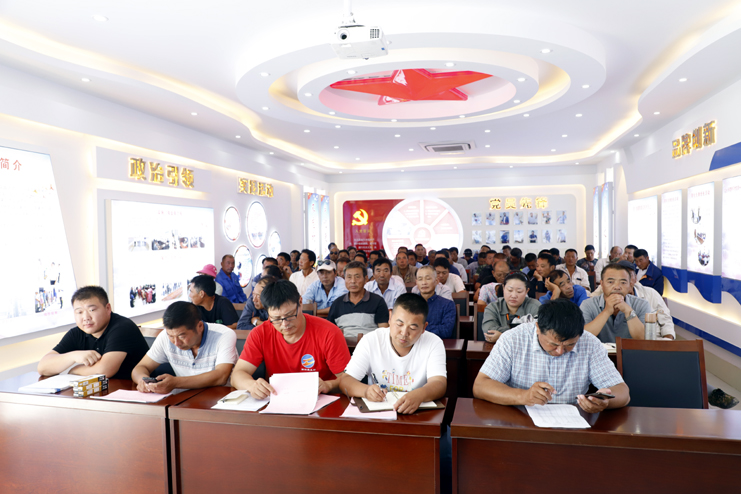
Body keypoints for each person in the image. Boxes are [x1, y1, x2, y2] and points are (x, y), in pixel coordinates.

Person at [473, 299, 630, 412]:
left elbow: (622, 392)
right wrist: (523, 396)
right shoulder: (513, 339)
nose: (560, 351)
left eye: (570, 345)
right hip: (519, 418)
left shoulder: (590, 343)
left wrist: (604, 402)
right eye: (553, 344)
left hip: (573, 423)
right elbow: (481, 386)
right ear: (537, 328)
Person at [231, 280, 351, 398]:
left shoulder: (329, 332)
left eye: (290, 315)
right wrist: (252, 385)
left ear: (300, 302)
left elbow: (349, 379)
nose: (285, 324)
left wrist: (328, 385)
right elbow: (237, 375)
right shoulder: (260, 333)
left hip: (321, 400)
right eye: (276, 319)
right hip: (279, 400)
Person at [339, 293, 447, 414]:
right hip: (379, 413)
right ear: (390, 318)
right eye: (399, 324)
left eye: (412, 328)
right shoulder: (371, 340)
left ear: (424, 328)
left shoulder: (433, 343)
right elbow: (346, 380)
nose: (404, 333)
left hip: (417, 413)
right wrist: (366, 391)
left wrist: (420, 395)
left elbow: (439, 383)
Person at [38, 286, 149, 380]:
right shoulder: (77, 333)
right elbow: (43, 367)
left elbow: (105, 370)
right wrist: (73, 356)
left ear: (108, 308)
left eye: (92, 310)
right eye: (79, 312)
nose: (86, 317)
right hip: (100, 392)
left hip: (133, 391)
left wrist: (74, 370)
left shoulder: (122, 328)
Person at [132, 301, 237, 393]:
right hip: (183, 399)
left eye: (181, 336)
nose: (176, 343)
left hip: (220, 398)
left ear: (200, 326)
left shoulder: (223, 335)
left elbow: (221, 376)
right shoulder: (164, 336)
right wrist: (143, 381)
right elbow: (140, 367)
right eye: (171, 336)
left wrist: (176, 382)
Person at [592, 262, 673, 339]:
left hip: (652, 339)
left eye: (628, 277)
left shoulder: (650, 294)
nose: (618, 285)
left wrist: (667, 340)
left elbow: (666, 320)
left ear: (635, 278)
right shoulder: (605, 291)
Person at [581, 263, 651, 342]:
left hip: (630, 350)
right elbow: (582, 338)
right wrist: (606, 312)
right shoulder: (588, 304)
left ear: (630, 285)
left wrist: (628, 311)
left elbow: (644, 340)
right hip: (598, 350)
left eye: (623, 282)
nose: (617, 287)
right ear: (602, 284)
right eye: (611, 282)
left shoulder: (642, 305)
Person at [328, 261, 390, 343]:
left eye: (357, 277)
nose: (353, 281)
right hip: (343, 346)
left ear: (366, 279)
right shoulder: (337, 303)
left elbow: (383, 331)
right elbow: (329, 331)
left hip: (370, 346)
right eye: (349, 277)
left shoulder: (378, 301)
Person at [480, 272, 541, 342]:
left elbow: (538, 333)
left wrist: (501, 336)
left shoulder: (535, 306)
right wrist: (522, 330)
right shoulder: (493, 307)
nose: (514, 295)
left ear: (527, 291)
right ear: (503, 288)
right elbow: (489, 331)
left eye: (519, 291)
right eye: (510, 290)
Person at [415, 266, 457, 339]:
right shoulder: (409, 304)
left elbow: (446, 331)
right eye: (420, 279)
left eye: (428, 278)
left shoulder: (447, 304)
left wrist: (418, 329)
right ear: (416, 282)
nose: (424, 283)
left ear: (437, 281)